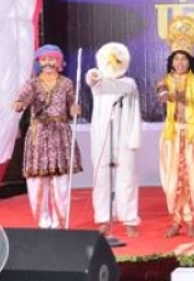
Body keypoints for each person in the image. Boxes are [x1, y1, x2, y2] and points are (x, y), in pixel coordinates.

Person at [12, 44, 82, 229]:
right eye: (44, 59)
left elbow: (71, 106)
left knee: (60, 181)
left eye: (52, 59)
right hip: (39, 136)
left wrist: (75, 109)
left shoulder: (67, 83)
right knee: (37, 180)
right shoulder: (32, 84)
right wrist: (19, 104)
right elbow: (24, 98)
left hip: (60, 135)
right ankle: (43, 223)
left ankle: (60, 223)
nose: (48, 63)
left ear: (59, 62)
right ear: (39, 62)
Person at [157, 15, 194, 238]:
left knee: (192, 179)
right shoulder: (164, 80)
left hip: (192, 134)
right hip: (172, 135)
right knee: (172, 180)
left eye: (184, 59)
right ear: (171, 61)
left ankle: (191, 221)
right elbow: (161, 95)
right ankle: (175, 221)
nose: (179, 62)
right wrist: (170, 95)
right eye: (176, 58)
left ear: (190, 61)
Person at [86, 42, 142, 238]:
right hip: (102, 135)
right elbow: (92, 78)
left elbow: (135, 112)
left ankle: (129, 219)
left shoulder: (129, 84)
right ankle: (103, 219)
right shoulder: (99, 82)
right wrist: (96, 73)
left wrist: (134, 138)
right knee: (101, 177)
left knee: (127, 177)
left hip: (124, 135)